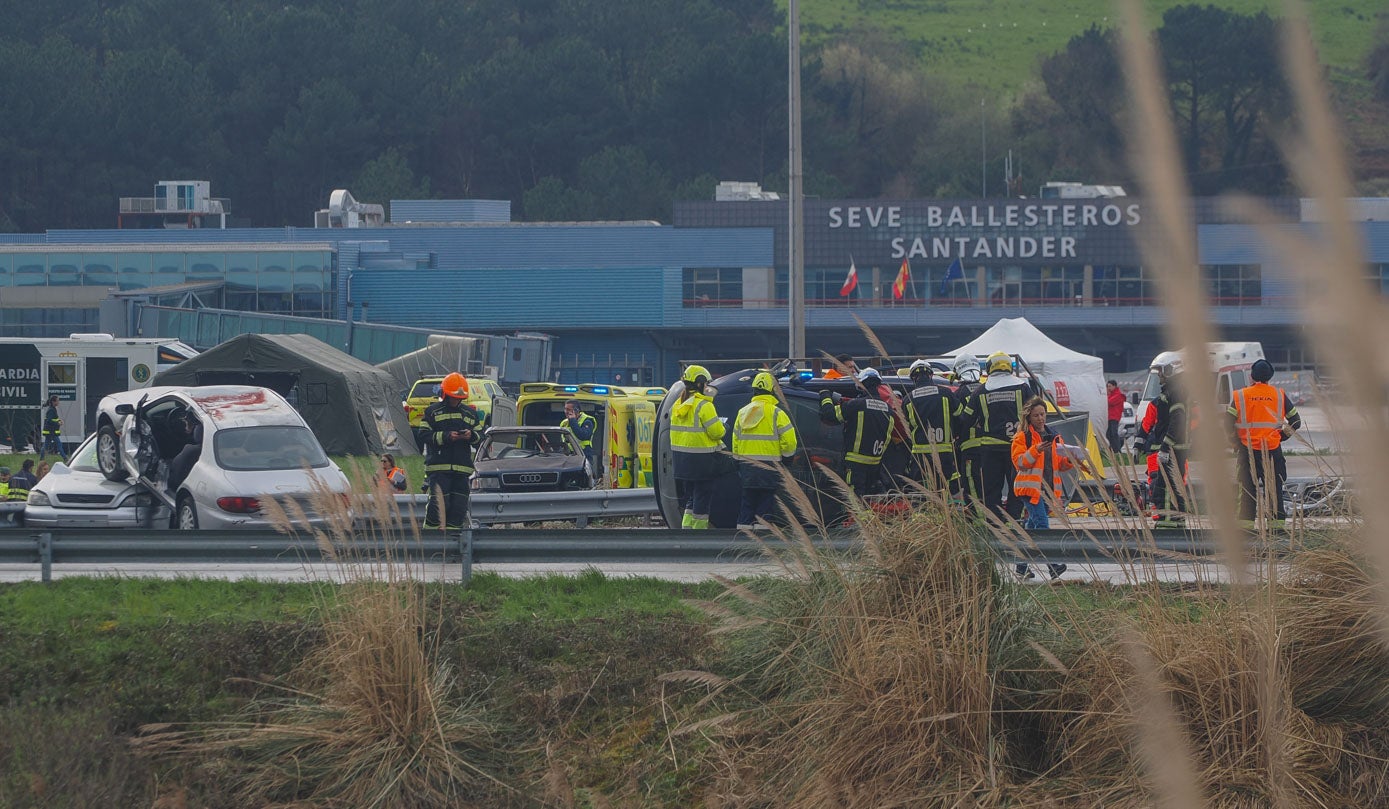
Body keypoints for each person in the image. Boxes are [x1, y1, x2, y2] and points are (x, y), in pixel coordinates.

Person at [1228, 358, 1301, 522]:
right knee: (1274, 494)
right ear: (1270, 377)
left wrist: (1236, 442)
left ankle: (1245, 535)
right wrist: (1281, 437)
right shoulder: (1279, 395)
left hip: (1247, 453)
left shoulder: (1240, 395)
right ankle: (1277, 535)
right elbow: (1296, 421)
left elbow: (1227, 423)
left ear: (1252, 376)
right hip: (1273, 452)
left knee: (1247, 494)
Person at [960, 351, 1030, 521]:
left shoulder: (981, 391)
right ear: (1009, 367)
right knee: (1017, 487)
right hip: (1017, 448)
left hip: (990, 450)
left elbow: (965, 420)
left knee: (991, 489)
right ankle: (1015, 522)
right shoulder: (1023, 388)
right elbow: (1036, 415)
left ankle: (994, 525)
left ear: (989, 368)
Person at [1011, 397, 1076, 579]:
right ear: (1029, 417)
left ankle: (1021, 566)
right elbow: (1020, 462)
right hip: (1030, 490)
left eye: (1043, 414)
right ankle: (1053, 565)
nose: (1040, 418)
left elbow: (1059, 465)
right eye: (1036, 415)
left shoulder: (1054, 435)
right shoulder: (1023, 437)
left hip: (1048, 490)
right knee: (1041, 525)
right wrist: (1036, 449)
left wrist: (1071, 460)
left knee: (1032, 527)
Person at [732, 371, 798, 529]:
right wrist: (787, 458)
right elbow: (790, 442)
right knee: (765, 506)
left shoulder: (742, 412)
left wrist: (738, 461)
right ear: (772, 390)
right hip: (770, 467)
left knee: (747, 505)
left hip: (747, 466)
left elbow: (735, 441)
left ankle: (743, 540)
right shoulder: (777, 413)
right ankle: (763, 543)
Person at [422, 372, 484, 531]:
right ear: (445, 394)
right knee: (438, 508)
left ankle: (453, 546)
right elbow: (423, 434)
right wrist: (446, 436)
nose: (456, 400)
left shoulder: (470, 414)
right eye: (453, 397)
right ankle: (429, 542)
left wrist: (471, 436)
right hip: (439, 468)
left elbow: (481, 437)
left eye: (459, 398)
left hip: (462, 470)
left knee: (458, 509)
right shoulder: (432, 412)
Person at [819, 368, 892, 498]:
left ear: (860, 385)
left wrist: (825, 395)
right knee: (869, 500)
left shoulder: (856, 405)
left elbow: (829, 415)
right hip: (876, 468)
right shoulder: (888, 409)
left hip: (855, 466)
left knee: (855, 501)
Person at [670, 365, 727, 529]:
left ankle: (686, 531)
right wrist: (725, 427)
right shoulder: (704, 405)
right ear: (701, 383)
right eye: (706, 383)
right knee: (702, 501)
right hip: (702, 463)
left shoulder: (677, 405)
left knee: (691, 499)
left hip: (682, 462)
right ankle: (699, 536)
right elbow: (716, 432)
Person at [1139, 358, 1191, 527]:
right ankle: (1173, 522)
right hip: (1175, 448)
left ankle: (1168, 525)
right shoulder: (1175, 391)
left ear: (1171, 370)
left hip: (1173, 449)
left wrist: (1165, 446)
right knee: (1165, 487)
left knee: (1166, 488)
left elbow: (1177, 421)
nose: (1159, 375)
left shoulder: (1174, 393)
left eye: (1161, 371)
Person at [904, 359, 961, 497]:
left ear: (913, 378)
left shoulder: (908, 399)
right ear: (930, 375)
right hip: (945, 453)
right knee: (950, 489)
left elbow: (907, 427)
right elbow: (960, 415)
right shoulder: (946, 393)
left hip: (920, 456)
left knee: (923, 492)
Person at [560, 400, 599, 483]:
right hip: (568, 455)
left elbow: (583, 436)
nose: (566, 412)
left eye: (568, 410)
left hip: (584, 454)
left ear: (576, 410)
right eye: (565, 409)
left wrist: (573, 421)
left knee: (584, 479)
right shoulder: (564, 423)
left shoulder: (588, 421)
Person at [166, 409, 203, 493]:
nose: (185, 425)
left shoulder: (190, 452)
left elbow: (174, 481)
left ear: (195, 426)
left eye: (186, 422)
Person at [40, 394, 62, 460]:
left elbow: (53, 419)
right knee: (59, 445)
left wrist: (59, 420)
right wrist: (57, 423)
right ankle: (65, 458)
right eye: (57, 401)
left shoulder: (53, 409)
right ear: (53, 402)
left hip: (51, 431)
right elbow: (49, 420)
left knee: (46, 446)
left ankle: (41, 458)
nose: (58, 402)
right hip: (51, 431)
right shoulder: (51, 410)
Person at [1106, 380, 1125, 454]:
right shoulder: (1112, 394)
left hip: (1114, 417)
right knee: (1109, 434)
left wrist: (1107, 395)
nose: (1108, 388)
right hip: (1110, 417)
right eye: (1107, 386)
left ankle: (1117, 450)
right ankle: (1114, 448)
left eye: (1110, 386)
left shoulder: (1118, 395)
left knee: (1113, 433)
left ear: (1114, 386)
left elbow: (1109, 402)